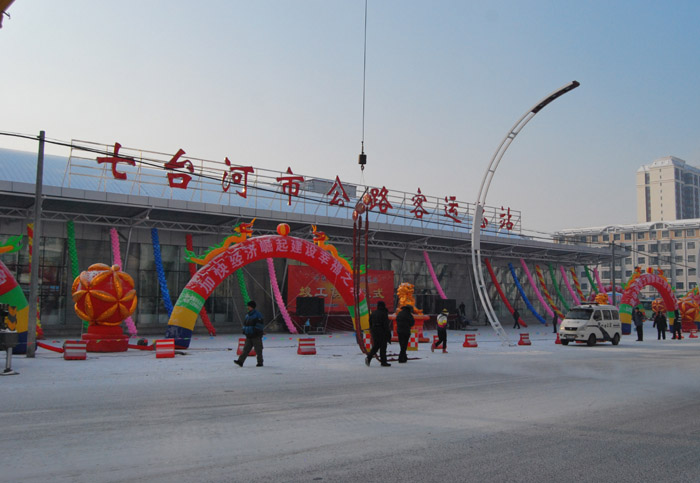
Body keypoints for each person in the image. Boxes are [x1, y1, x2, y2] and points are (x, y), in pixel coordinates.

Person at [234, 300, 265, 367]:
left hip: (255, 336)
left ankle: (260, 362)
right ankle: (240, 361)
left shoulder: (257, 315)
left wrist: (256, 332)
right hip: (249, 335)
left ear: (252, 307)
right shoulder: (247, 315)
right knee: (245, 349)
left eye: (248, 306)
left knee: (258, 349)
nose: (247, 307)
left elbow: (259, 325)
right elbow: (245, 324)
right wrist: (244, 330)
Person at [366, 301, 392, 367]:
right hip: (382, 331)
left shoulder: (373, 313)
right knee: (383, 347)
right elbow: (386, 324)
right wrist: (388, 334)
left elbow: (370, 322)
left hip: (374, 331)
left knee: (376, 346)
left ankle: (369, 357)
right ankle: (383, 362)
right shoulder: (384, 313)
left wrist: (372, 329)